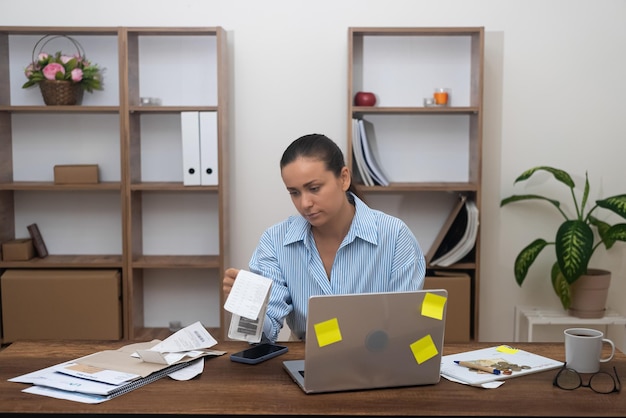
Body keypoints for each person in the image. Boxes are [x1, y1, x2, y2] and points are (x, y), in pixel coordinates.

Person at [223, 133, 426, 343]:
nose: (305, 203)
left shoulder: (395, 236)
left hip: (377, 359)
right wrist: (249, 307)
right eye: (294, 193)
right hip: (304, 358)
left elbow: (404, 326)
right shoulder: (275, 241)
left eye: (314, 188)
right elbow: (266, 336)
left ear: (344, 178)